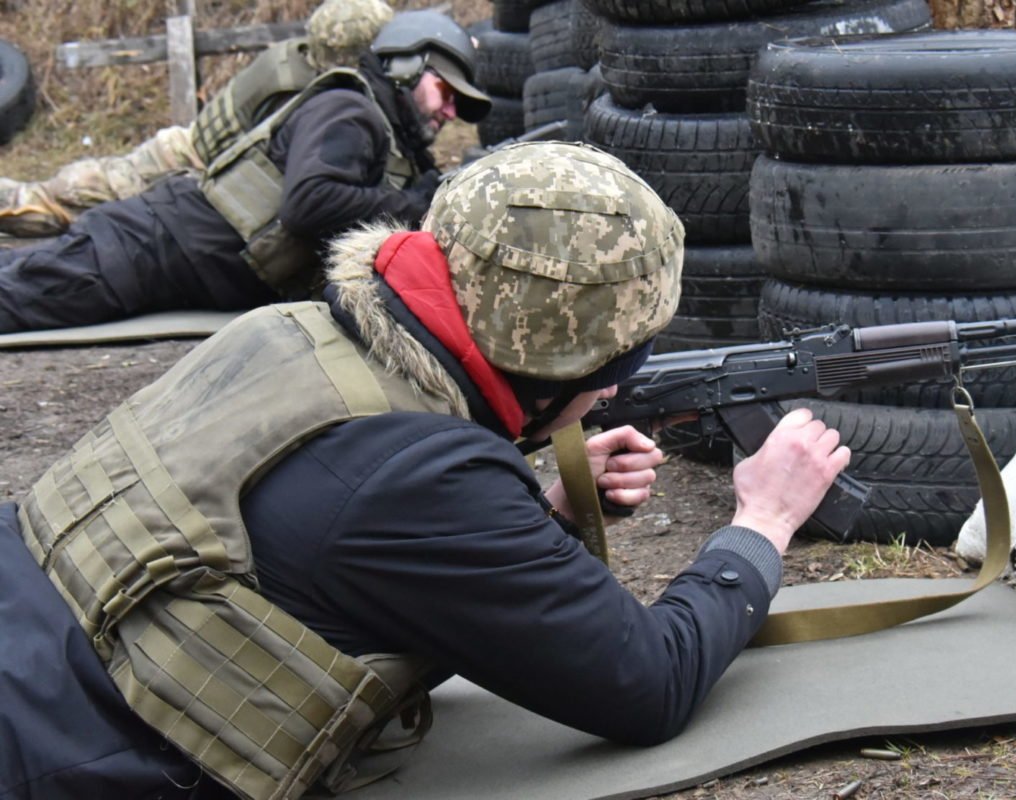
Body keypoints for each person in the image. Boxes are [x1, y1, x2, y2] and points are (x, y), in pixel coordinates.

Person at [0, 142, 851, 799]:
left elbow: (320, 541)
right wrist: (762, 523)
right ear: (571, 363)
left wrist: (534, 514)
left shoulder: (286, 330)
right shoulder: (429, 485)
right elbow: (650, 684)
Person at [0, 8, 492, 333]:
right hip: (144, 250)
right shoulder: (350, 109)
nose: (449, 112)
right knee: (17, 303)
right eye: (446, 93)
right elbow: (311, 204)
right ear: (405, 65)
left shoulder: (383, 135)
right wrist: (416, 201)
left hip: (167, 258)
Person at [0, 0, 396, 238]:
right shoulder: (306, 90)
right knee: (57, 208)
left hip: (182, 154)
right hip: (179, 164)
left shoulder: (298, 57)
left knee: (68, 198)